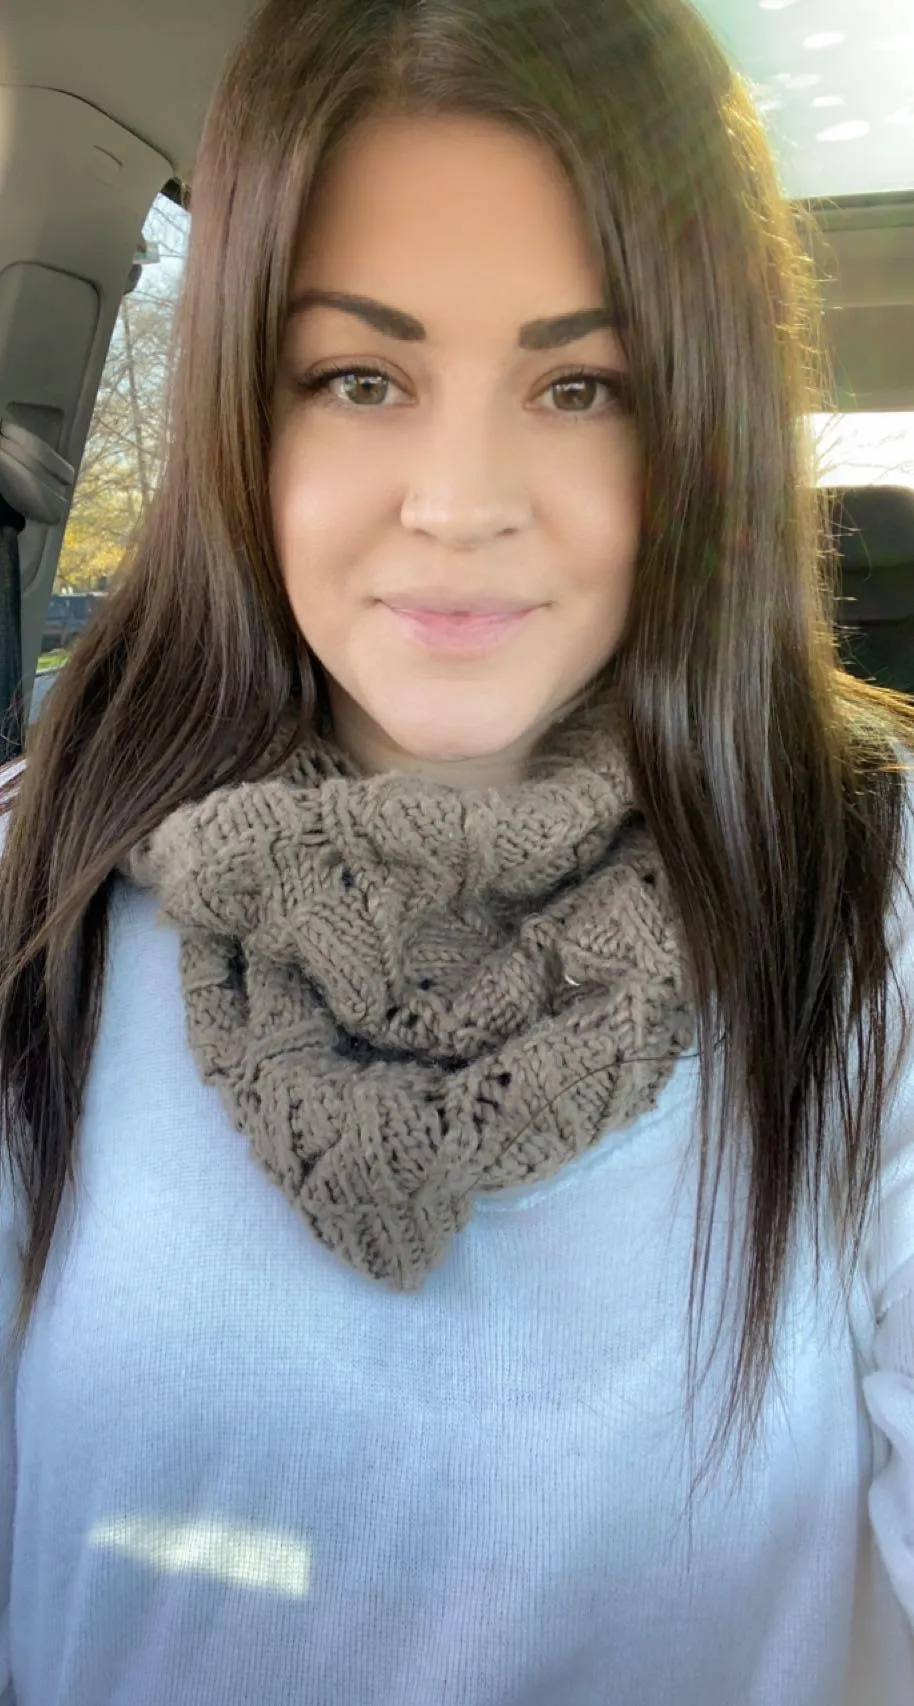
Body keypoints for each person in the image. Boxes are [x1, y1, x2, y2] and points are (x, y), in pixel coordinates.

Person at [0, 0, 912, 1700]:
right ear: (242, 422)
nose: (458, 497)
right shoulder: (34, 889)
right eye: (362, 377)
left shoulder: (869, 899)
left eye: (580, 386)